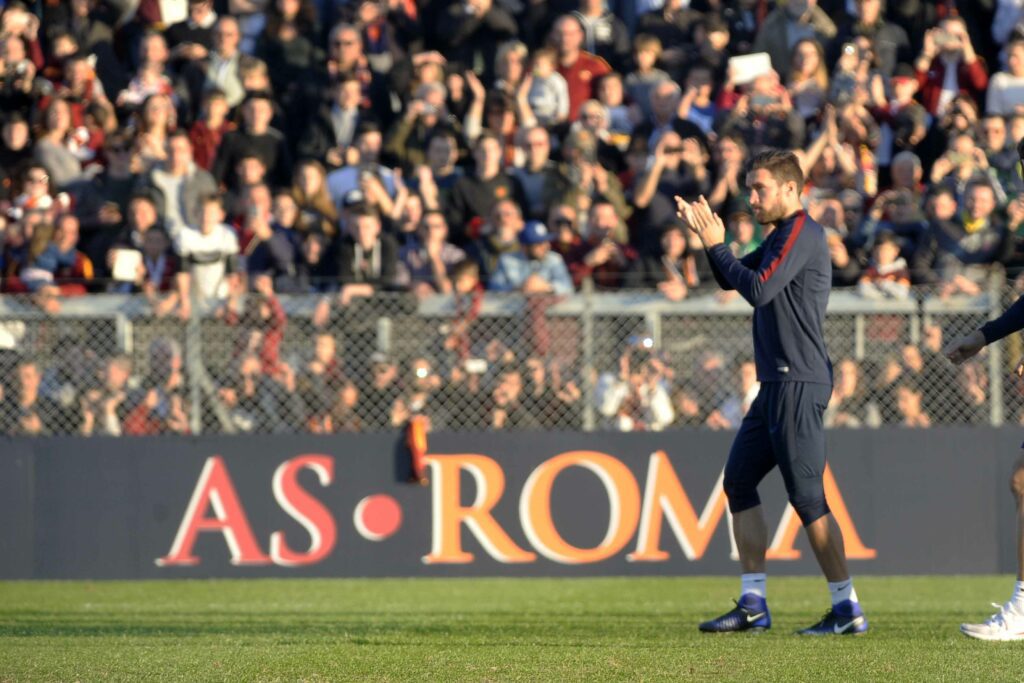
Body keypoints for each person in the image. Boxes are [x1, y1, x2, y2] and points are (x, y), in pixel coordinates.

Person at [678, 150, 867, 636]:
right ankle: (754, 603)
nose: (752, 197)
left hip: (798, 381)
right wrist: (710, 242)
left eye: (759, 188)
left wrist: (721, 248)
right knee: (739, 481)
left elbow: (758, 289)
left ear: (790, 189)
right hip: (776, 384)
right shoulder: (782, 234)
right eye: (750, 188)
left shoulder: (802, 232)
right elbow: (731, 276)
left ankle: (847, 609)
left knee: (807, 499)